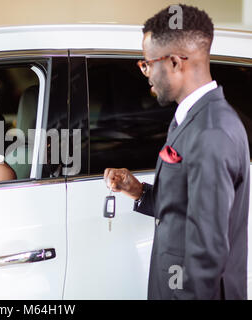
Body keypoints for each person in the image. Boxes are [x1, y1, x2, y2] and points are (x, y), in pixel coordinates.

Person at [104, 5, 249, 299]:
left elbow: (207, 253)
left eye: (147, 63)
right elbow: (188, 211)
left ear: (173, 62)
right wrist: (138, 191)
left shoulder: (212, 131)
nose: (145, 73)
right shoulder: (190, 117)